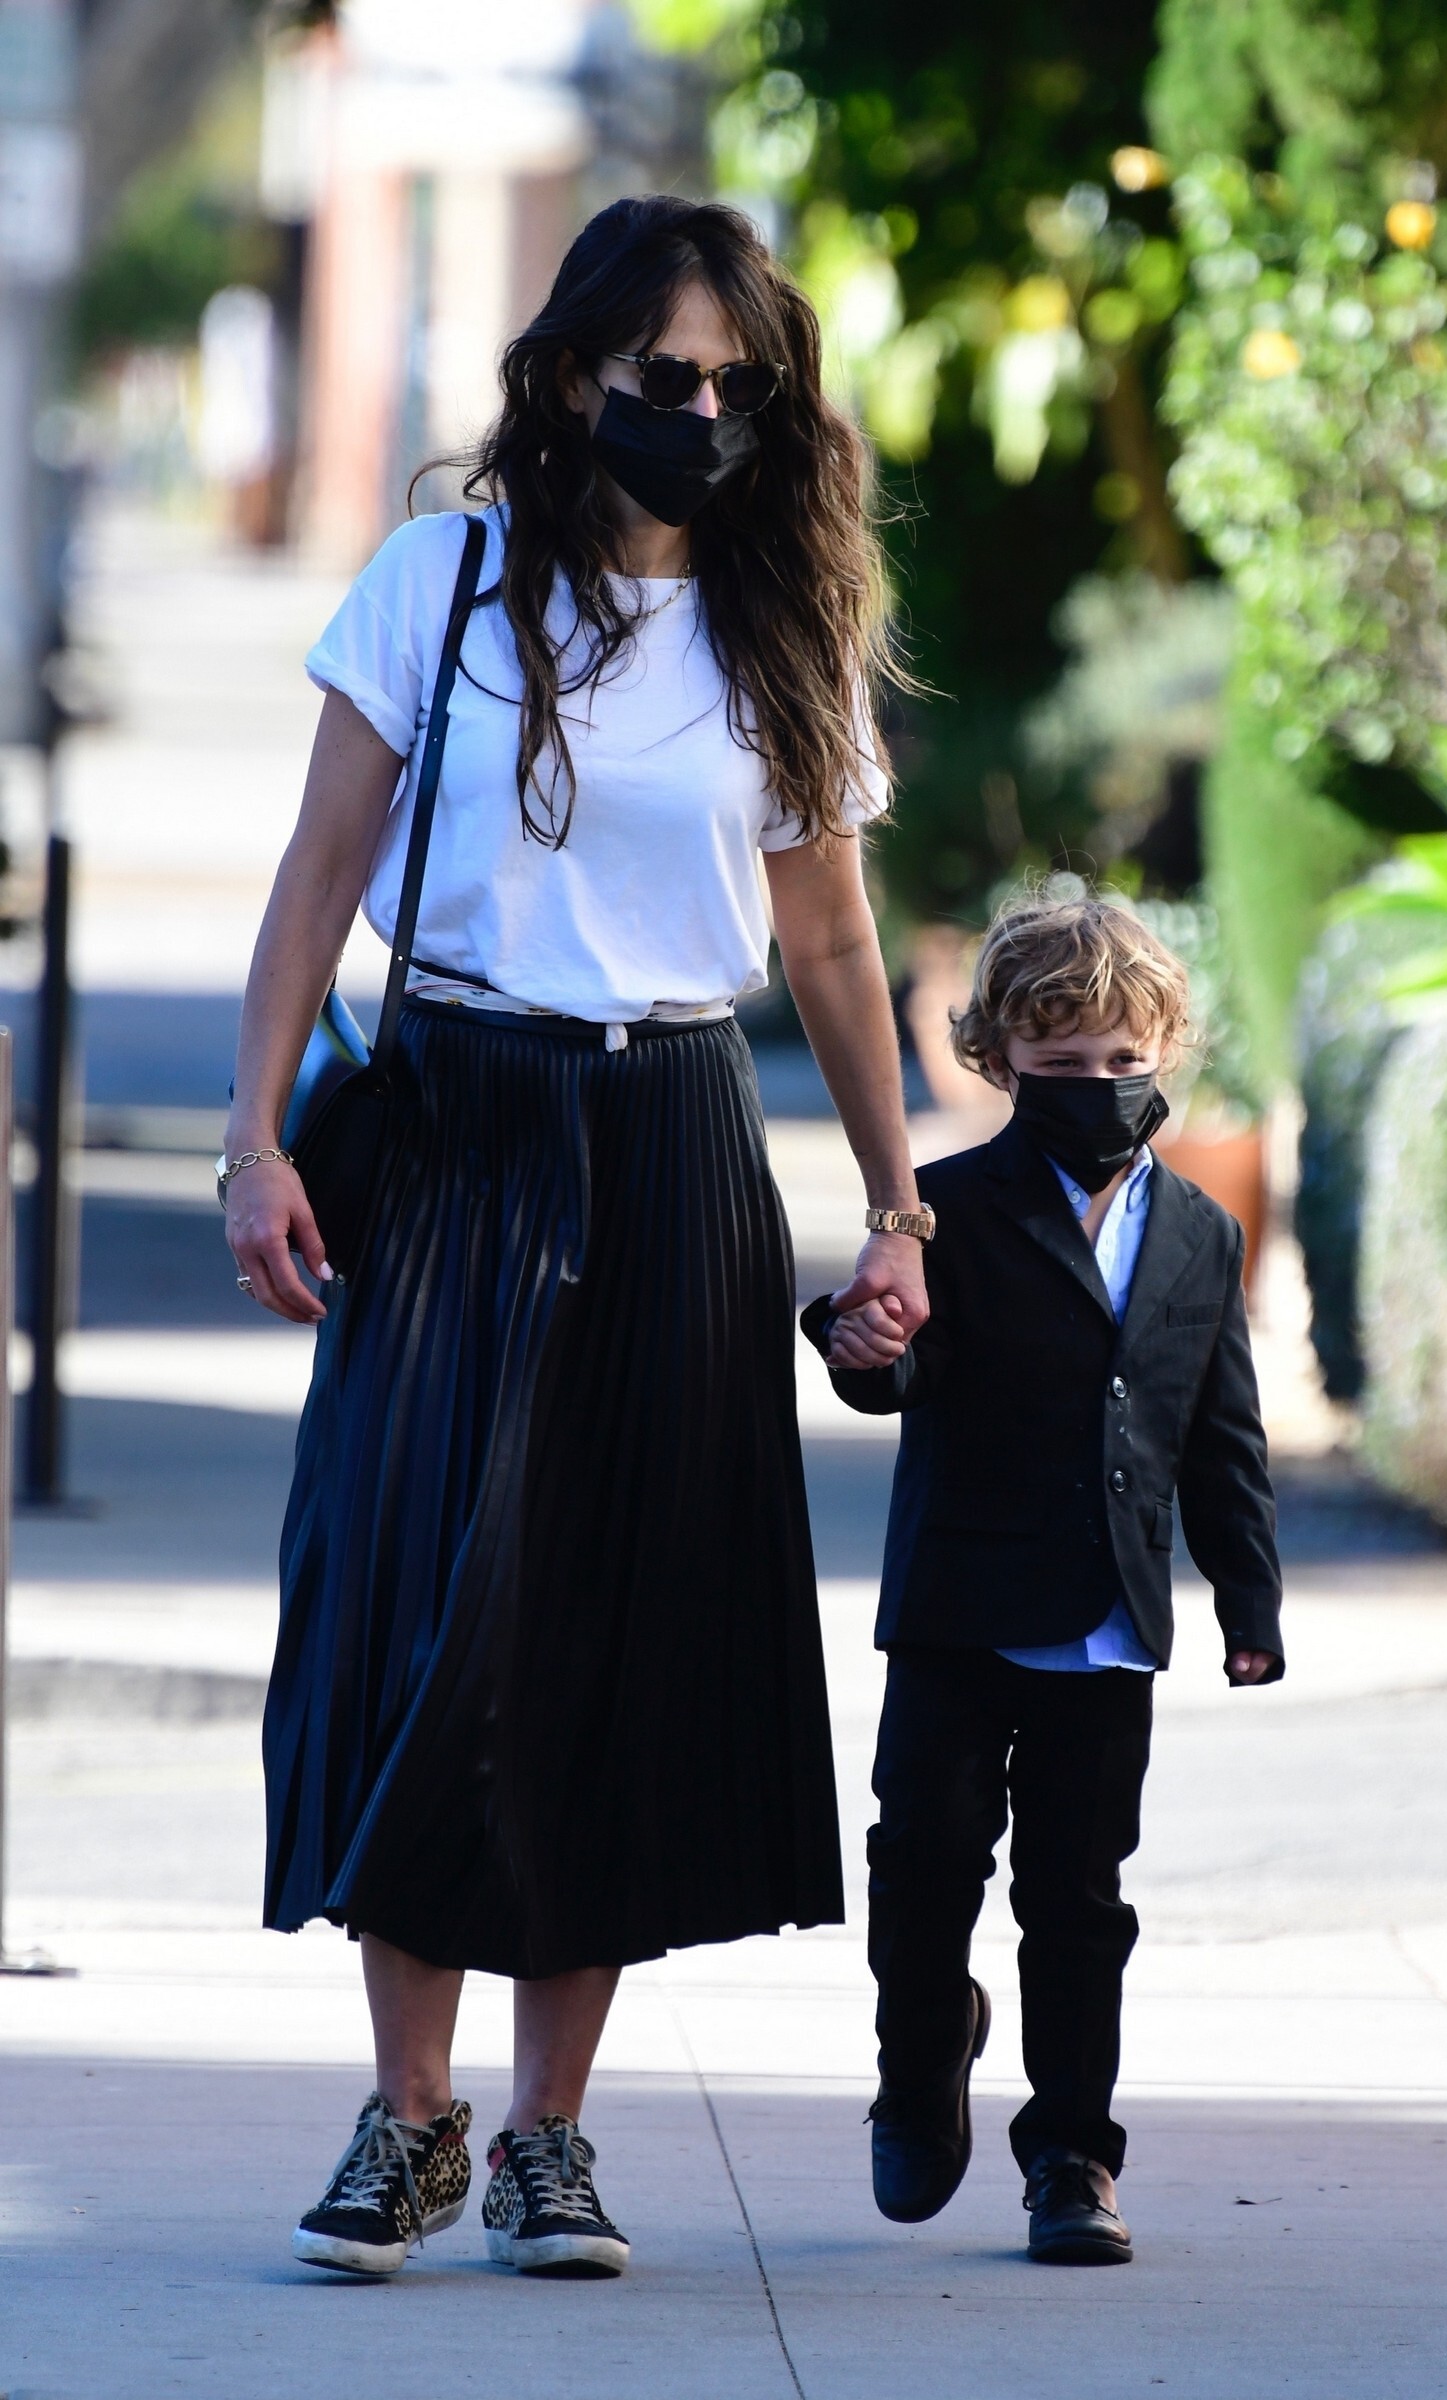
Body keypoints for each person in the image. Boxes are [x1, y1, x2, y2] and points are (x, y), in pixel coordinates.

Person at [222, 195, 933, 2282]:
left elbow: (829, 942)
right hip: (451, 1118)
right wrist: (254, 1139)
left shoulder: (778, 631)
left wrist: (897, 1205)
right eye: (663, 376)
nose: (699, 414)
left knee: (613, 1623)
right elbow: (319, 864)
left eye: (736, 386)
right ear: (571, 375)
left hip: (675, 1136)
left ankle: (550, 2137)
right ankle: (407, 2118)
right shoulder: (437, 584)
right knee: (422, 1608)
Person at [801, 892, 1283, 2265]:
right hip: (960, 1610)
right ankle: (919, 2070)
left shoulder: (1201, 1234)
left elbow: (1221, 1435)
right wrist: (860, 1344)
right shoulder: (943, 1211)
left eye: (1123, 1062)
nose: (1098, 1086)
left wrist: (1248, 1602)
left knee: (1077, 1898)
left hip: (1108, 1620)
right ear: (1001, 1059)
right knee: (922, 1867)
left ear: (1164, 1053)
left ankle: (1073, 2155)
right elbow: (898, 1366)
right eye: (1063, 1064)